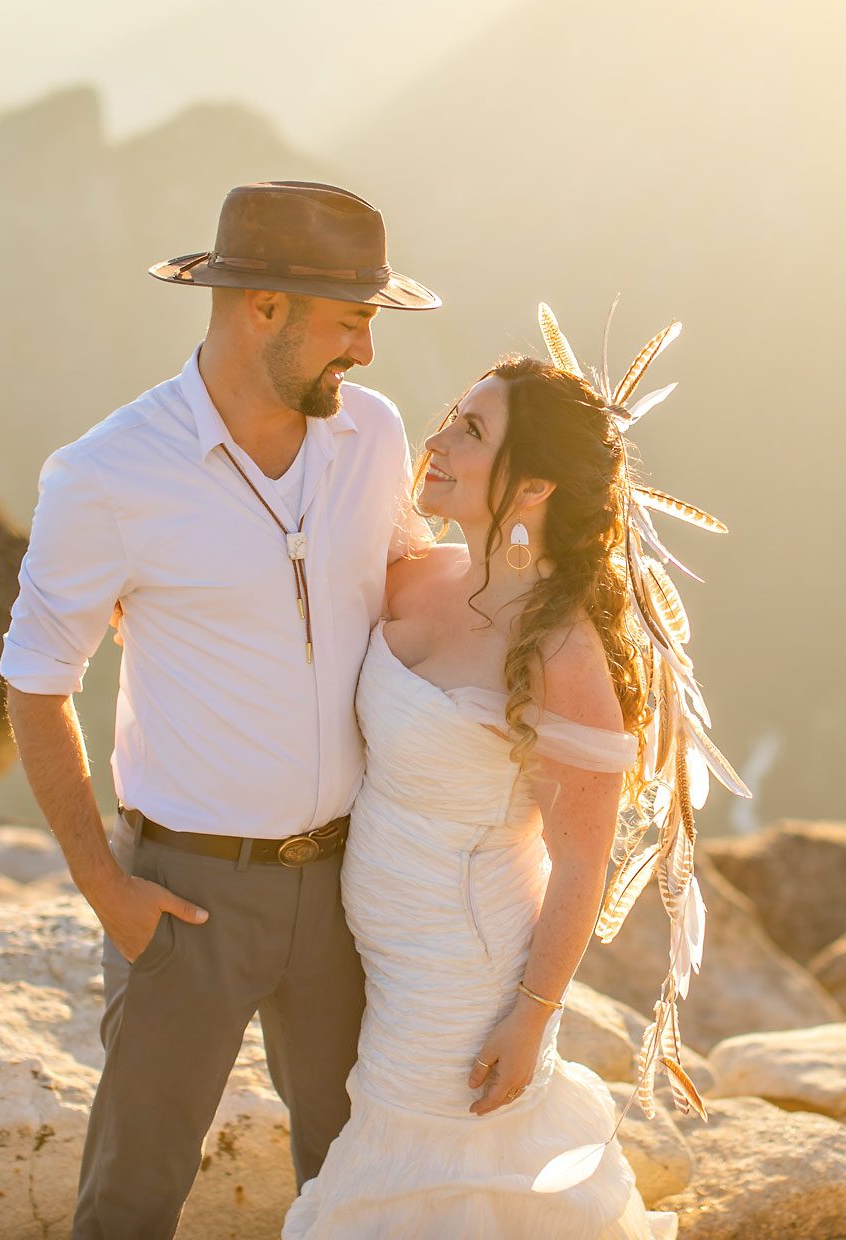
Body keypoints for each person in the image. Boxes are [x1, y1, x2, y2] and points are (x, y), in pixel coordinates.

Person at [0, 180, 439, 1240]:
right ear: (264, 307)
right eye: (349, 324)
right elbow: (33, 681)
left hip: (348, 885)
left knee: (356, 1173)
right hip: (184, 894)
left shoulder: (372, 435)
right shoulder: (109, 474)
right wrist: (106, 885)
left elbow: (410, 581)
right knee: (135, 1188)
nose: (366, 356)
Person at [281, 317, 744, 1238]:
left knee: (426, 1175)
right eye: (451, 418)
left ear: (532, 486)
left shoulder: (566, 651)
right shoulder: (418, 576)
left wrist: (531, 1018)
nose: (437, 442)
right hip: (375, 949)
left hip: (465, 972)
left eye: (471, 434)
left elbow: (582, 862)